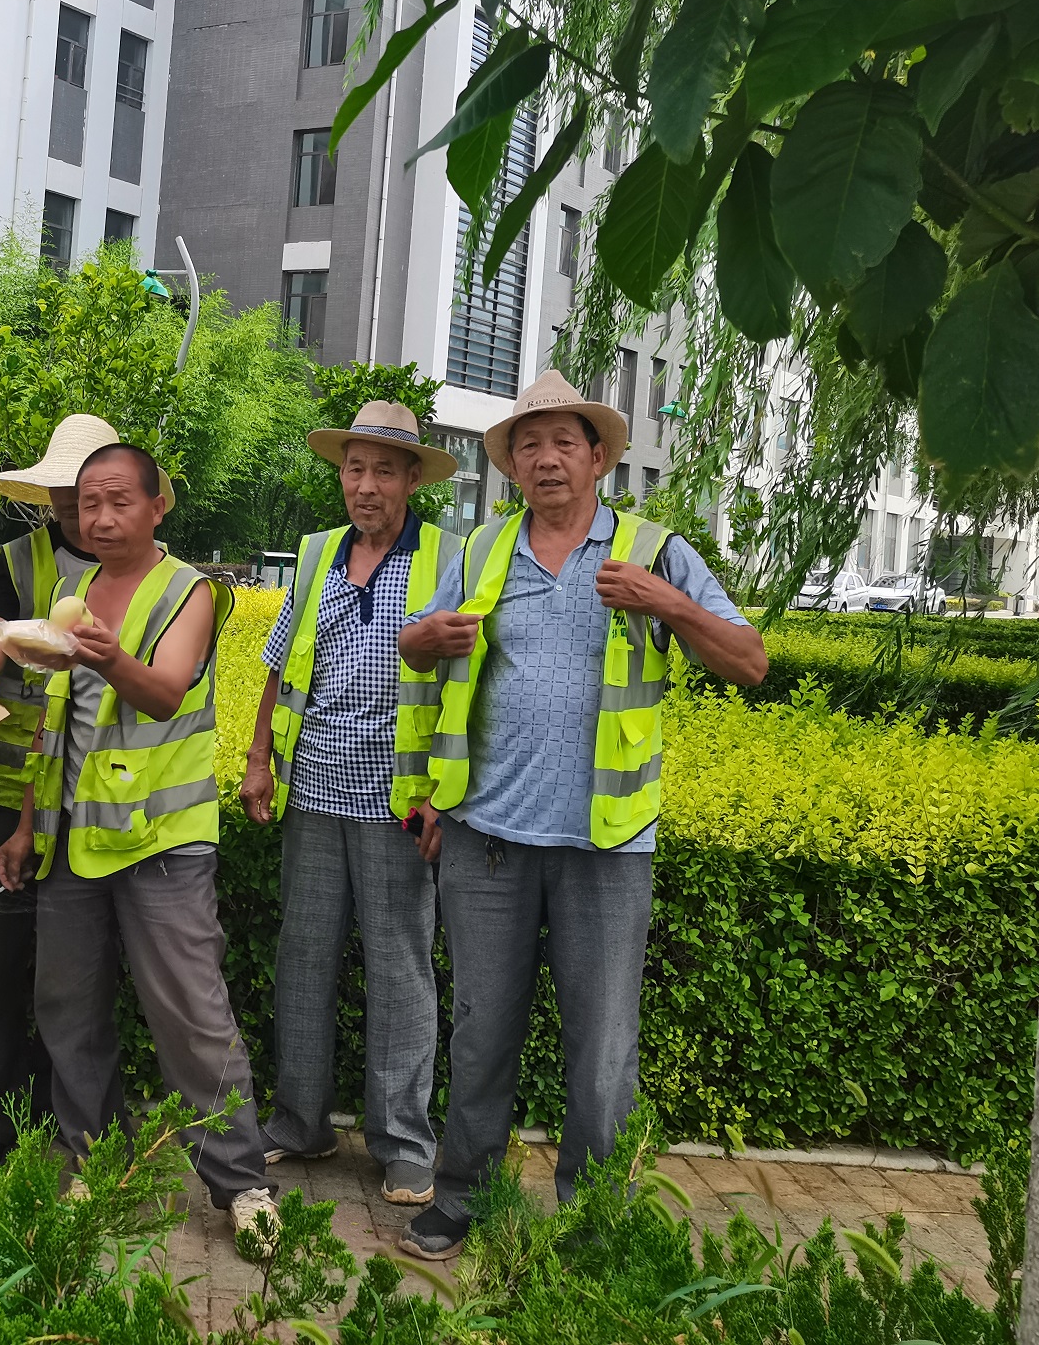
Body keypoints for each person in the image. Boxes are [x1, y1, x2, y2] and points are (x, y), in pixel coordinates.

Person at [390, 372, 767, 1262]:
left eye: (565, 442)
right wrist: (425, 645)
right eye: (529, 444)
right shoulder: (481, 549)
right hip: (486, 838)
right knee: (480, 1031)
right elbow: (416, 652)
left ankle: (595, 1220)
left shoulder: (654, 552)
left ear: (599, 458)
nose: (546, 458)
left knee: (601, 1047)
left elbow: (749, 661)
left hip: (606, 843)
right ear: (510, 465)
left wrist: (665, 603)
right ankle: (463, 1196)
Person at [0, 443, 280, 1253]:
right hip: (74, 841)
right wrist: (27, 824)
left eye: (119, 501)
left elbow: (166, 691)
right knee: (66, 1009)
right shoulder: (69, 595)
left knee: (192, 1017)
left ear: (157, 507)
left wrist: (111, 659)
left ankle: (242, 1183)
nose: (101, 518)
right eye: (89, 503)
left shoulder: (190, 590)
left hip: (164, 843)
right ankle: (98, 1161)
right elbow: (53, 722)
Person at [240, 403, 461, 1209]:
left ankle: (404, 1143)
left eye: (383, 471)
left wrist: (447, 796)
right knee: (304, 956)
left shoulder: (447, 557)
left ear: (412, 479)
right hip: (313, 789)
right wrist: (259, 759)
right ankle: (301, 1123)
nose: (365, 486)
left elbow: (469, 684)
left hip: (397, 802)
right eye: (354, 468)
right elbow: (280, 663)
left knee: (400, 969)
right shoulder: (316, 554)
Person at [0, 413, 123, 1177]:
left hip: (94, 803)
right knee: (0, 966)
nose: (77, 508)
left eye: (90, 493)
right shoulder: (19, 560)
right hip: (9, 797)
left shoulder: (141, 571)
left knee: (77, 974)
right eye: (65, 493)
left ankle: (57, 1115)